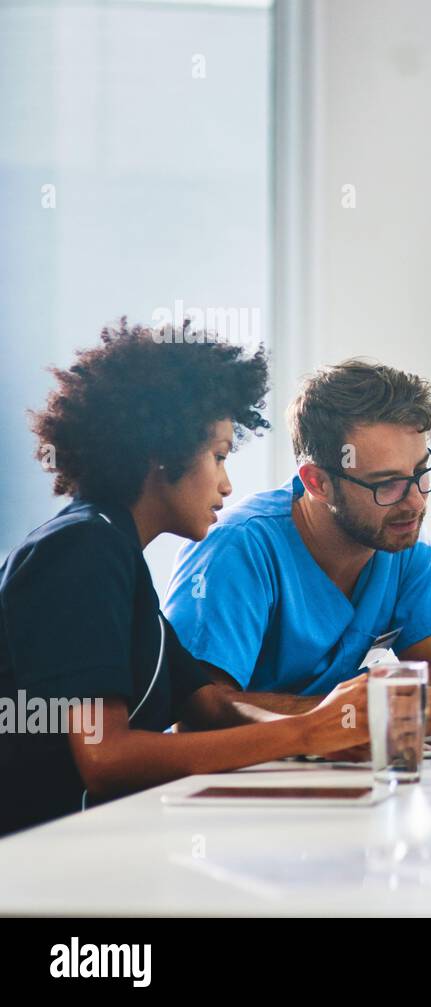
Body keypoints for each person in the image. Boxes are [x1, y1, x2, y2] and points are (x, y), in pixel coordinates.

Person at [0, 320, 368, 837]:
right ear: (163, 453)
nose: (226, 482)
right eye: (218, 456)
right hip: (42, 867)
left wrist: (343, 721)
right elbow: (106, 758)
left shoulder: (118, 554)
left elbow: (210, 704)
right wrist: (306, 731)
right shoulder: (79, 550)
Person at [163, 359, 431, 739]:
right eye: (387, 484)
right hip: (237, 785)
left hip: (343, 778)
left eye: (421, 473)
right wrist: (355, 715)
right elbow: (198, 709)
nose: (416, 503)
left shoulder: (403, 549)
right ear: (318, 482)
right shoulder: (239, 549)